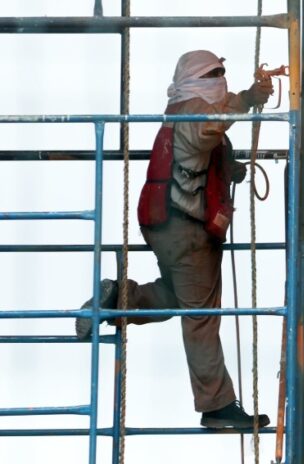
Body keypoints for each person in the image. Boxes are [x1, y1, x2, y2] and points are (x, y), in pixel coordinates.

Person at [76, 50, 273, 429]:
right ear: (199, 79)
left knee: (175, 297)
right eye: (216, 74)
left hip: (169, 228)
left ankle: (120, 297)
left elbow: (205, 153)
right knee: (201, 316)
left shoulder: (182, 109)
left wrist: (229, 165)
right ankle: (217, 407)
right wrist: (247, 100)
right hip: (186, 231)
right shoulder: (195, 111)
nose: (222, 81)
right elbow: (210, 128)